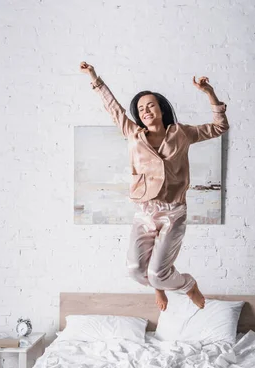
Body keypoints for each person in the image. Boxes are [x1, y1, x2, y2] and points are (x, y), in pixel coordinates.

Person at [79, 61, 230, 311]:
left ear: (161, 108)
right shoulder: (133, 133)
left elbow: (219, 127)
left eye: (150, 105)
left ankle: (188, 285)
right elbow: (113, 108)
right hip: (144, 212)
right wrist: (94, 77)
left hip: (173, 212)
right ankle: (158, 287)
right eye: (140, 108)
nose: (146, 110)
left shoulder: (181, 133)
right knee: (136, 271)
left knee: (158, 271)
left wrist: (210, 93)